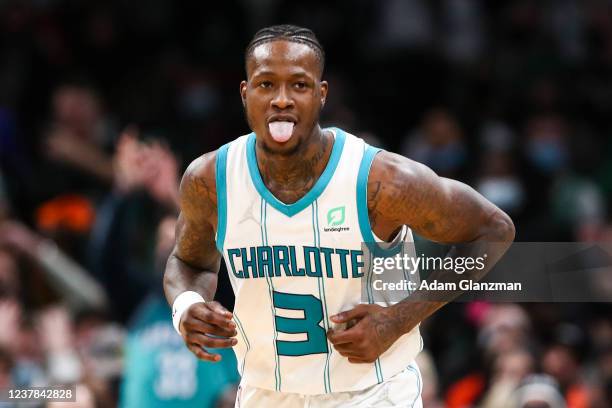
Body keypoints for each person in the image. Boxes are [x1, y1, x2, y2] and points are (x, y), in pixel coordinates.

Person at [163, 24, 515, 407]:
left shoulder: (381, 181)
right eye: (266, 85)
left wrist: (399, 319)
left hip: (374, 393)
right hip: (265, 394)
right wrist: (187, 306)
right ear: (245, 94)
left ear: (321, 94)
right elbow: (187, 261)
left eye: (299, 85)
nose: (282, 100)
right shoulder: (210, 180)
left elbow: (494, 230)